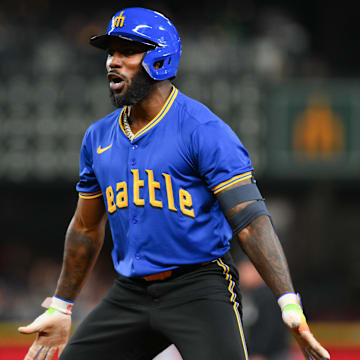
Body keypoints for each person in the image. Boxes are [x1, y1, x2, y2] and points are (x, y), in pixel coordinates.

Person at [18, 7, 330, 360]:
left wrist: (287, 301)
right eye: (111, 51)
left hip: (198, 287)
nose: (112, 62)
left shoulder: (203, 130)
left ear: (160, 58)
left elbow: (249, 221)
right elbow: (86, 228)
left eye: (127, 51)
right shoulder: (98, 137)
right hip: (131, 292)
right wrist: (62, 306)